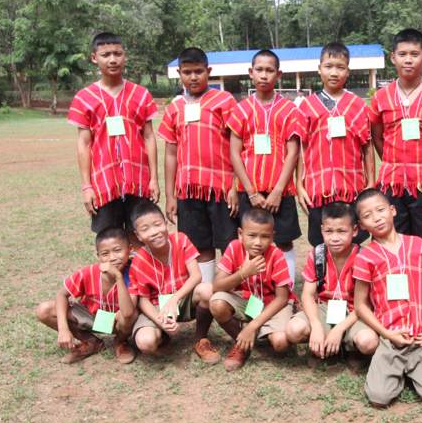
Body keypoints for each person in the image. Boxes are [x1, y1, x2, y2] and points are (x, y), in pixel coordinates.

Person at [368, 28, 422, 308]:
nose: (408, 60)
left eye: (414, 54)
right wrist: (395, 163)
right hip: (391, 183)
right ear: (393, 58)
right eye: (402, 54)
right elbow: (377, 136)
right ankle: (399, 303)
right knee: (392, 241)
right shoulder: (381, 97)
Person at [353, 188, 422, 408]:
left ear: (393, 211)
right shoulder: (366, 257)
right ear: (362, 225)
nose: (377, 218)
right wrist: (386, 334)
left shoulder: (418, 244)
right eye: (367, 216)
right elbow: (360, 305)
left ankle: (416, 370)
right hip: (391, 337)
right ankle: (396, 370)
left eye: (380, 210)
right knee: (378, 397)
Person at [158, 47, 238, 285]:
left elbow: (239, 146)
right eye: (187, 72)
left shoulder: (225, 101)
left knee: (229, 244)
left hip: (222, 189)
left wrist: (235, 185)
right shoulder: (174, 108)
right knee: (198, 245)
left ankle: (228, 292)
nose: (193, 77)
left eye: (198, 71)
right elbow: (171, 153)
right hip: (188, 191)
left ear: (208, 71)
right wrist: (171, 195)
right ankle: (205, 293)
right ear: (179, 74)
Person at [67, 32, 159, 234]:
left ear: (125, 56)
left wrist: (154, 179)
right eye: (105, 55)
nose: (112, 60)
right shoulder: (84, 98)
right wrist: (86, 186)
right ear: (94, 58)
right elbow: (84, 144)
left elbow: (149, 137)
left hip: (139, 181)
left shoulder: (141, 94)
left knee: (142, 236)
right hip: (104, 184)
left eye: (117, 54)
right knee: (111, 241)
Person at [228, 49, 304, 282]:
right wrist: (251, 192)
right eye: (259, 70)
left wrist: (278, 191)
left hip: (280, 192)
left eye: (269, 70)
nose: (264, 75)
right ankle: (252, 288)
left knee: (283, 240)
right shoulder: (241, 109)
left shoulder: (289, 110)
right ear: (250, 73)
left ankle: (285, 290)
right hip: (249, 191)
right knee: (250, 240)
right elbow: (234, 152)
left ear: (278, 75)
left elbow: (293, 152)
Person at [296, 42, 375, 247]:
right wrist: (299, 185)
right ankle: (323, 269)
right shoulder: (307, 106)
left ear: (348, 71)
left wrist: (371, 182)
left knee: (352, 240)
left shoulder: (358, 105)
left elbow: (367, 146)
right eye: (328, 66)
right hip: (318, 188)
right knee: (321, 242)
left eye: (340, 67)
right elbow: (301, 148)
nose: (334, 72)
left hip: (352, 187)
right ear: (319, 69)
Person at [128, 201, 219, 363]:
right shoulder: (139, 260)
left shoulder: (180, 240)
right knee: (145, 342)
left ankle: (201, 340)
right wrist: (160, 321)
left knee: (207, 290)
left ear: (165, 223)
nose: (154, 232)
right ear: (138, 235)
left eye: (157, 224)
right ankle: (162, 335)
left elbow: (196, 276)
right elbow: (143, 300)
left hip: (182, 298)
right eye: (145, 229)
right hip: (157, 306)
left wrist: (174, 299)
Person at [285, 201, 379, 358]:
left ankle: (350, 350)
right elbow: (307, 295)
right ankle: (323, 344)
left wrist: (339, 329)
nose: (335, 238)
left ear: (355, 230)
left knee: (368, 342)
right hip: (325, 308)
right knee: (294, 330)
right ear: (322, 230)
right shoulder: (317, 254)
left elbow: (364, 304)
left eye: (342, 231)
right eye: (329, 231)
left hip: (355, 312)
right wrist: (316, 325)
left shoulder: (363, 257)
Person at [209, 208, 295, 371]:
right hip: (249, 302)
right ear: (240, 234)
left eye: (265, 236)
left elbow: (282, 298)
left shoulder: (276, 255)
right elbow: (217, 286)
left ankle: (253, 332)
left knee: (280, 343)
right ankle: (242, 345)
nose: (258, 242)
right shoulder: (234, 248)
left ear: (272, 236)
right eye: (252, 235)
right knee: (217, 303)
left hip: (273, 306)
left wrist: (252, 326)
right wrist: (243, 273)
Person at [36, 227, 138, 364]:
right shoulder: (88, 272)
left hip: (118, 321)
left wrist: (118, 277)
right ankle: (91, 342)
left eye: (117, 250)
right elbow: (61, 295)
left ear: (130, 249)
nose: (112, 258)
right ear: (98, 256)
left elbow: (128, 313)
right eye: (105, 254)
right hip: (93, 317)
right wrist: (63, 328)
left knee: (130, 315)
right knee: (44, 310)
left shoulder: (134, 273)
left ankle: (121, 342)